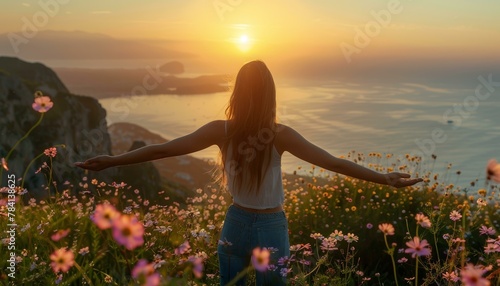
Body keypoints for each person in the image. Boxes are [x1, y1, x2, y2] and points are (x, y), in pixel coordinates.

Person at [75, 60, 422, 285]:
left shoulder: (220, 130)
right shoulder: (280, 134)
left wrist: (112, 160)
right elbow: (333, 163)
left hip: (235, 223)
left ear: (237, 92)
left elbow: (163, 150)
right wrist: (383, 179)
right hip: (271, 225)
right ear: (271, 94)